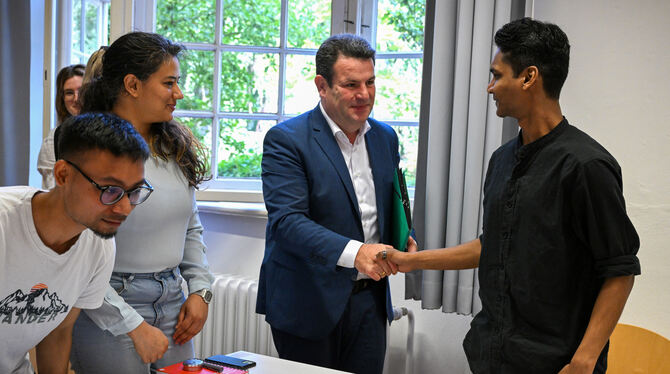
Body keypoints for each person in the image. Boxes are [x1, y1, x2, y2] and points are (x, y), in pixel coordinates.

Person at [383, 18, 640, 374]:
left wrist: (585, 359)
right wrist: (412, 260)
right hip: (491, 355)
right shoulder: (502, 159)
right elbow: (494, 245)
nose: (490, 88)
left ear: (529, 77)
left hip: (556, 363)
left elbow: (619, 270)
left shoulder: (586, 166)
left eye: (497, 75)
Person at [256, 34, 416, 374]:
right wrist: (357, 252)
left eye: (370, 82)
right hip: (308, 302)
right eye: (351, 84)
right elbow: (287, 223)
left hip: (371, 301)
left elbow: (389, 203)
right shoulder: (287, 140)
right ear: (322, 85)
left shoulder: (385, 136)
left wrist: (406, 235)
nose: (364, 94)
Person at [69, 32, 214, 373]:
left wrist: (201, 291)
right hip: (106, 304)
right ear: (132, 85)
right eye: (169, 83)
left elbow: (190, 225)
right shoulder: (90, 151)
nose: (178, 93)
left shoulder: (173, 146)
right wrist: (131, 323)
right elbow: (77, 255)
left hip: (173, 302)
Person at [0, 113, 152, 374]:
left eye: (134, 191)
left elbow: (58, 332)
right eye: (109, 190)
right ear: (62, 174)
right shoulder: (5, 223)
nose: (125, 208)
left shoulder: (99, 246)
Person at [37, 64, 85, 189]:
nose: (76, 98)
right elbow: (52, 190)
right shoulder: (54, 140)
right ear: (62, 99)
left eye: (81, 90)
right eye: (69, 93)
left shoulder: (109, 132)